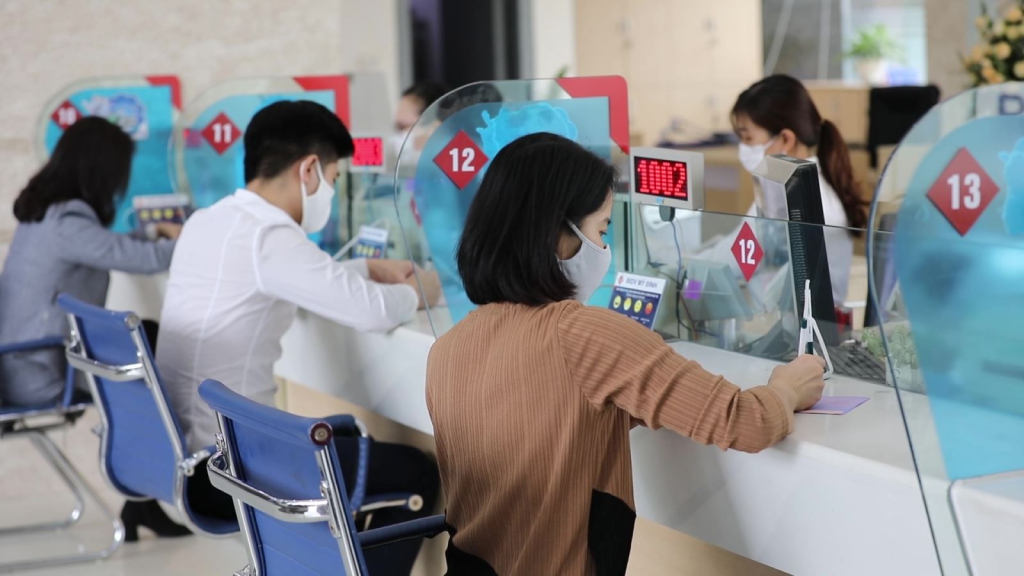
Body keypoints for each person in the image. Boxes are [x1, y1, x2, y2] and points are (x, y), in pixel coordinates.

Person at [426, 133, 826, 575]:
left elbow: (555, 411)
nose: (603, 248)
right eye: (601, 230)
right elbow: (745, 422)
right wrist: (787, 387)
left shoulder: (446, 350)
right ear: (558, 234)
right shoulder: (585, 335)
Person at [155, 100, 441, 574]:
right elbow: (371, 312)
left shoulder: (211, 220)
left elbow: (289, 280)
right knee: (416, 474)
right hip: (231, 467)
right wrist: (421, 291)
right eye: (333, 177)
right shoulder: (268, 235)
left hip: (187, 457)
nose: (331, 190)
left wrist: (365, 268)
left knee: (357, 455)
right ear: (308, 170)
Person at [0, 116, 183, 540]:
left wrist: (153, 231)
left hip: (23, 363)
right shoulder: (66, 222)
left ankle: (142, 500)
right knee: (152, 357)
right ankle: (143, 497)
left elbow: (110, 247)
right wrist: (202, 238)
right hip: (38, 372)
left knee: (147, 352)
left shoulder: (47, 215)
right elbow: (141, 260)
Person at [732, 74, 868, 305]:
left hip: (803, 322)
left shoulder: (808, 198)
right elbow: (740, 251)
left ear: (786, 139)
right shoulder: (778, 187)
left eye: (748, 137)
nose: (743, 148)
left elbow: (740, 258)